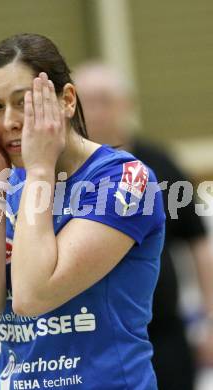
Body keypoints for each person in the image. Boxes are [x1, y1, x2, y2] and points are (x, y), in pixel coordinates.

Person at [0, 34, 165, 390]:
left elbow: (33, 295)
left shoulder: (124, 179)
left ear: (66, 100)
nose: (9, 122)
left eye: (24, 102)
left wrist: (38, 172)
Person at [73, 62, 213, 390]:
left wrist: (209, 321)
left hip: (161, 336)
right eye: (86, 101)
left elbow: (199, 244)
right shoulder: (60, 173)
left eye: (104, 100)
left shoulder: (159, 164)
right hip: (90, 340)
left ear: (127, 104)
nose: (95, 111)